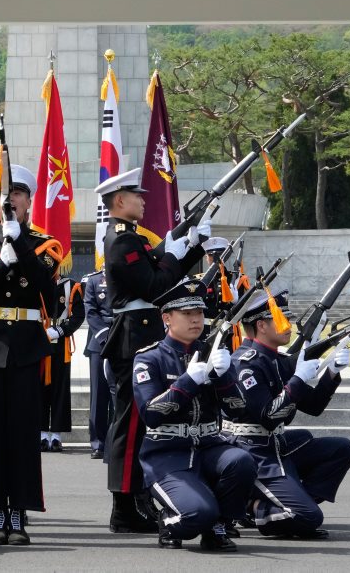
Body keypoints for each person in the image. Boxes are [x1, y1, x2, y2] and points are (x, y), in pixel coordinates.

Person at [98, 168, 211, 533]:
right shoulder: (121, 240)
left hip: (140, 332)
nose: (144, 201)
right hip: (133, 336)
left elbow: (162, 272)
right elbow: (154, 285)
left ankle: (139, 500)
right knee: (131, 424)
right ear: (120, 201)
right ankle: (124, 508)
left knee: (140, 422)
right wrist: (176, 253)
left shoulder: (132, 239)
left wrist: (192, 243)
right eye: (137, 196)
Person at [0, 163, 61, 546]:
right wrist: (1, 263)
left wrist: (18, 243)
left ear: (29, 201)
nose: (11, 198)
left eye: (18, 192)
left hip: (24, 346)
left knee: (20, 431)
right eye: (4, 194)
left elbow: (46, 292)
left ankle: (18, 511)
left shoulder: (44, 244)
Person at [132, 279, 257, 551]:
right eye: (187, 314)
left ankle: (218, 526)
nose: (195, 320)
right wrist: (187, 382)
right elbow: (151, 414)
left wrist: (224, 377)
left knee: (242, 461)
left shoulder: (213, 353)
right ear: (167, 318)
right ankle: (169, 521)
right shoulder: (149, 359)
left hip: (209, 446)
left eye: (199, 313)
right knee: (198, 514)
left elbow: (238, 410)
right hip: (168, 453)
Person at [226, 289, 350, 539]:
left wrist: (332, 371)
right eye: (281, 320)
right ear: (262, 325)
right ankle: (253, 508)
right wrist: (296, 380)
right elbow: (269, 415)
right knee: (308, 517)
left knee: (341, 449)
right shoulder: (246, 364)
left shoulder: (275, 360)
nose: (288, 326)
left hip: (273, 444)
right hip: (251, 450)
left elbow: (314, 407)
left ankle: (288, 501)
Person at [41, 275, 85, 452]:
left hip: (61, 342)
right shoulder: (38, 280)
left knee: (60, 388)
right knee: (39, 387)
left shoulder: (71, 286)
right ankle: (42, 434)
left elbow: (79, 315)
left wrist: (60, 330)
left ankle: (57, 436)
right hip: (39, 339)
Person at [82, 269, 113, 459]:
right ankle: (98, 443)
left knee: (120, 395)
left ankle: (115, 441)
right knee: (99, 395)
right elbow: (91, 311)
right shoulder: (94, 280)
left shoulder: (128, 274)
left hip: (123, 338)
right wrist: (105, 336)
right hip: (99, 342)